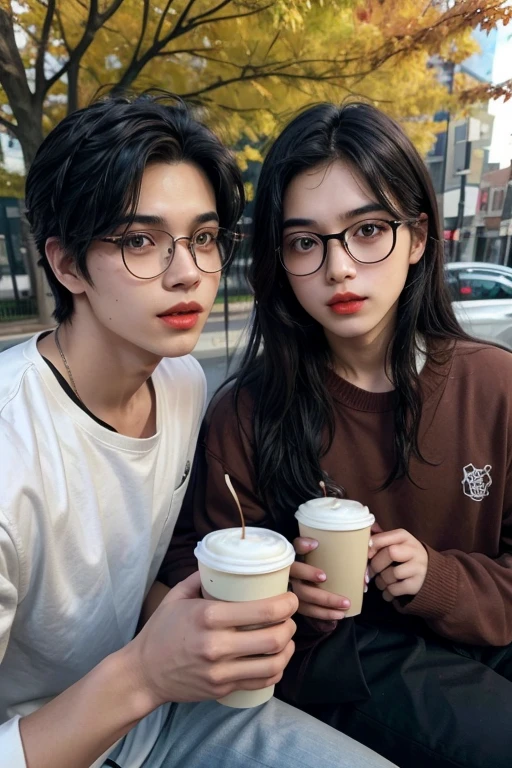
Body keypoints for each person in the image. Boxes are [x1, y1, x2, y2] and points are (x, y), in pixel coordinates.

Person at [0, 94, 396, 768]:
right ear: (66, 265)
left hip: (165, 717)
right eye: (140, 241)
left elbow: (120, 583)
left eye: (205, 238)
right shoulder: (14, 453)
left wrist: (225, 605)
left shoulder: (181, 383)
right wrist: (147, 672)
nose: (188, 273)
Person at [160, 102, 512, 768]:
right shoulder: (248, 410)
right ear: (279, 260)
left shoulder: (494, 386)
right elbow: (193, 563)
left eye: (368, 229)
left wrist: (437, 578)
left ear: (417, 237)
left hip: (481, 625)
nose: (339, 267)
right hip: (342, 657)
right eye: (304, 241)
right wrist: (281, 585)